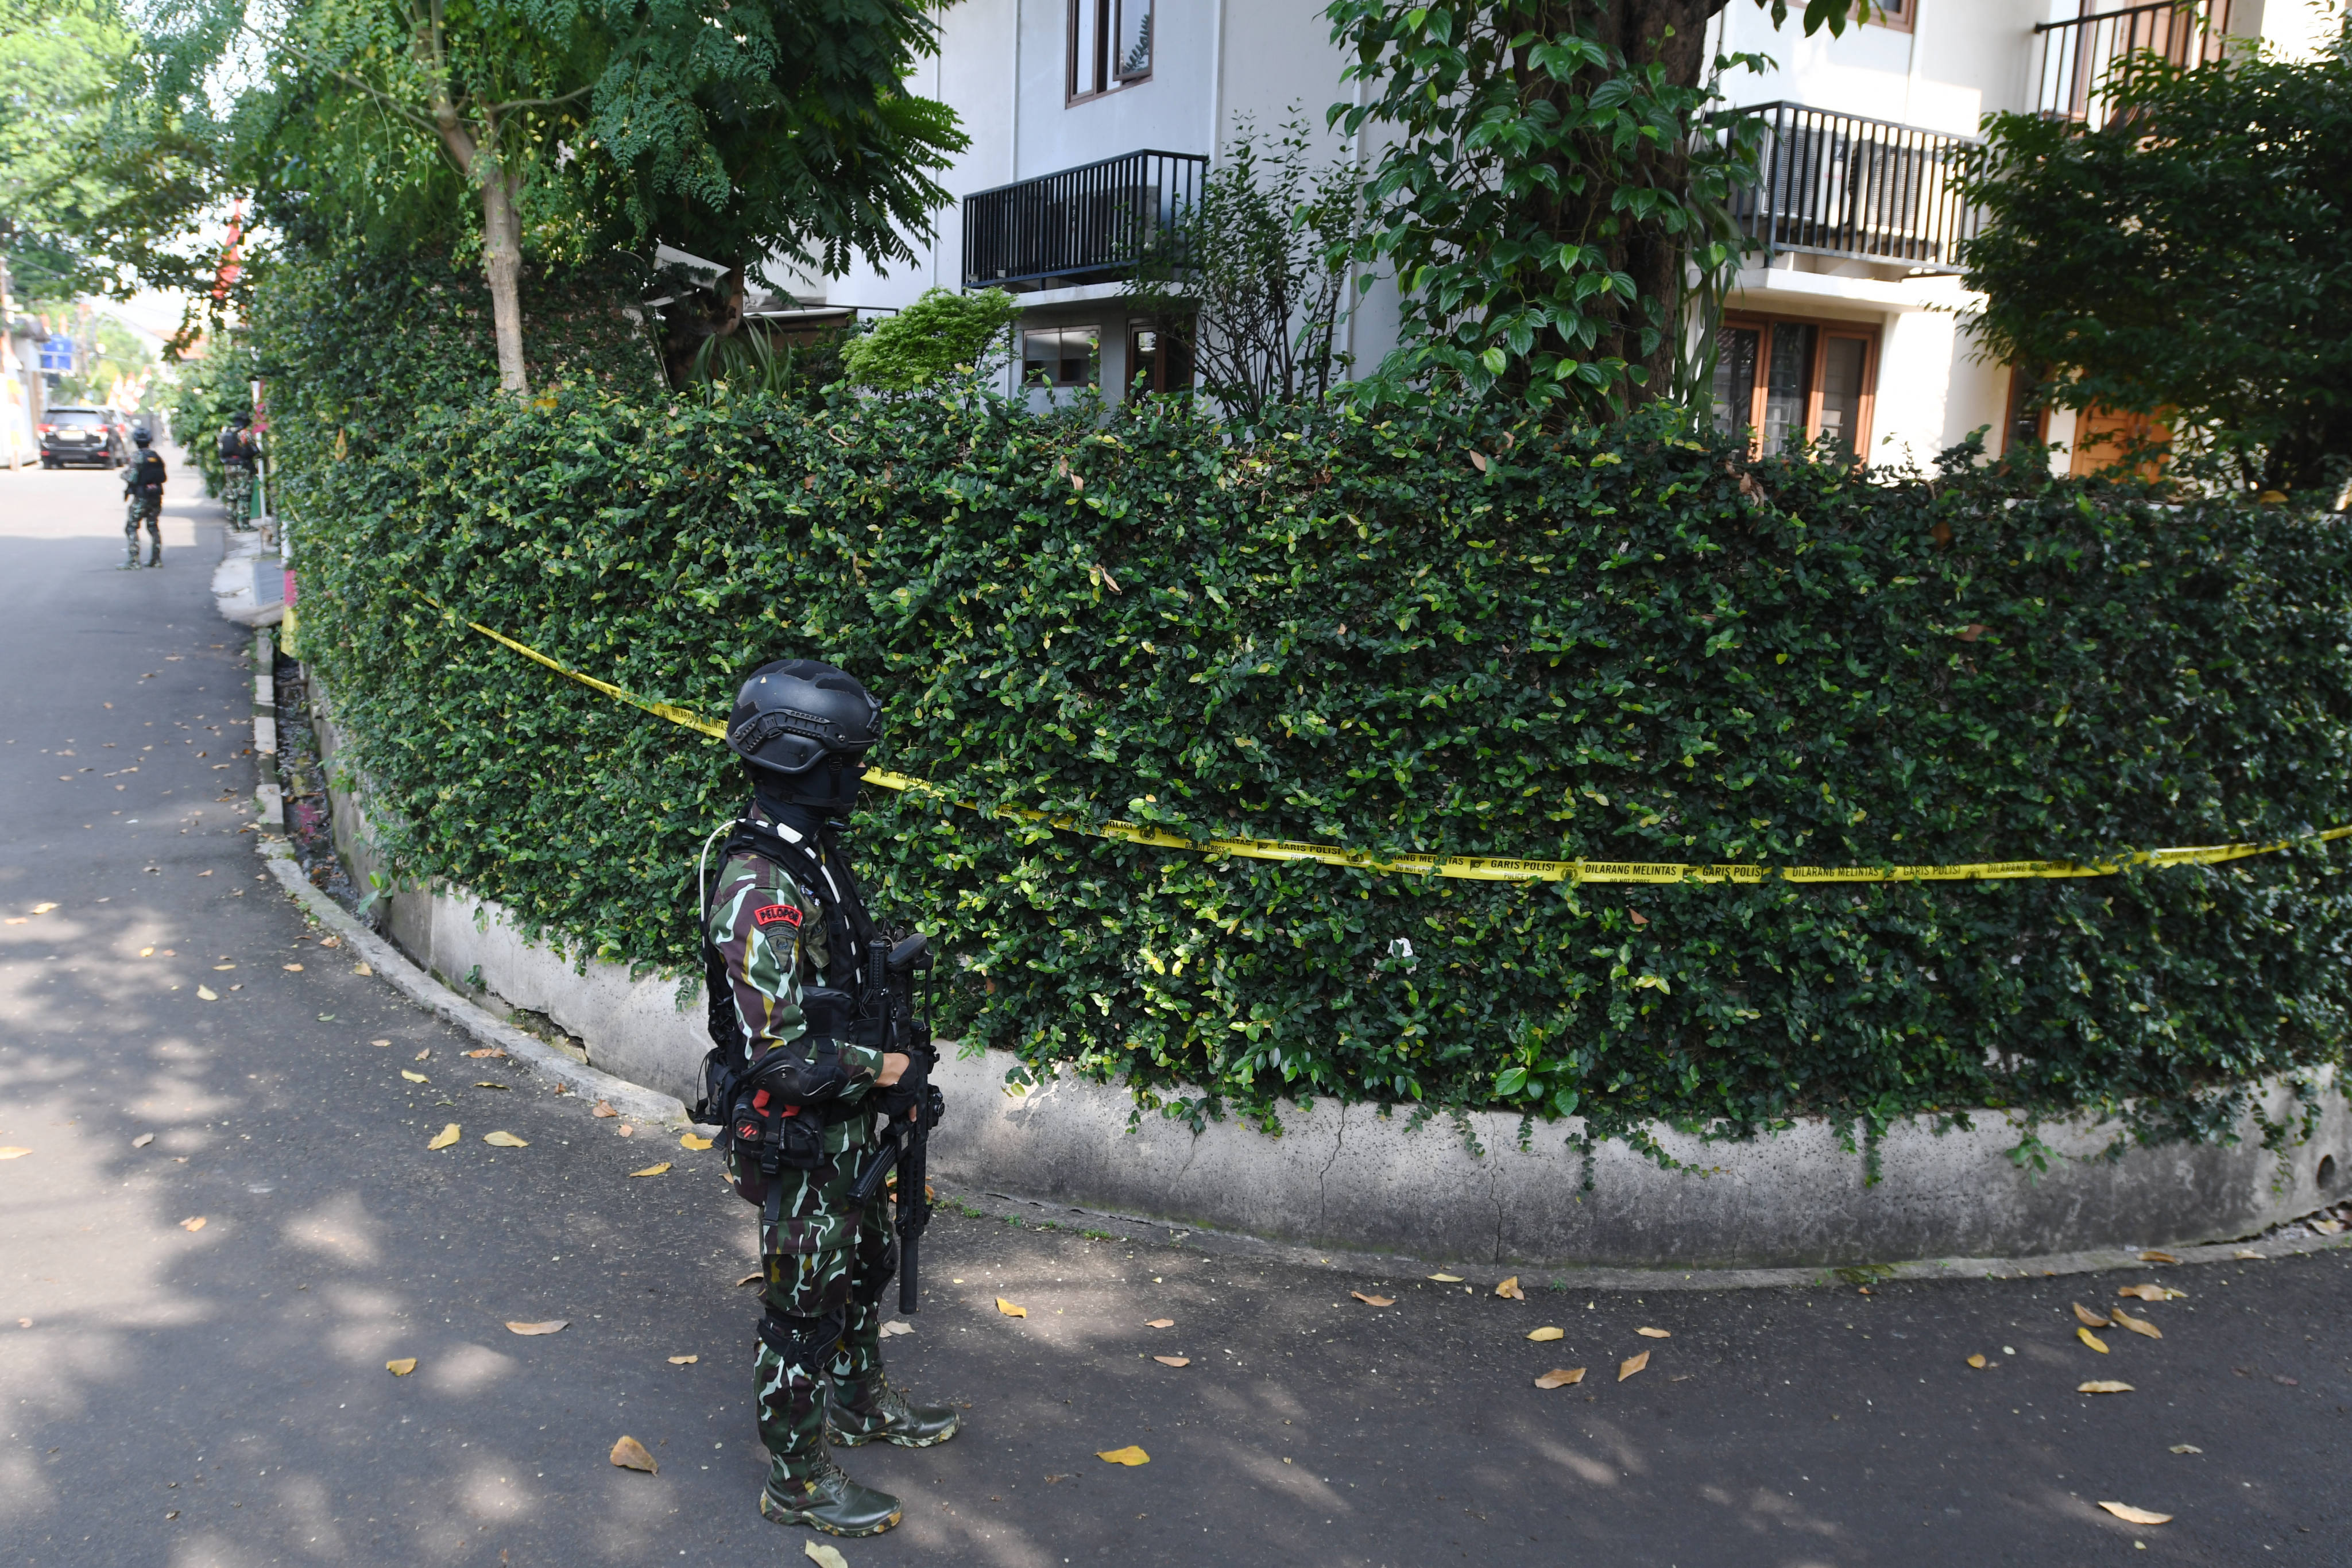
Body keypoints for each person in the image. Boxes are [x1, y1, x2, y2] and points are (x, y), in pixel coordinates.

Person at [697, 658, 959, 1539]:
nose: (860, 775)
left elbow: (833, 984)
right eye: (848, 759)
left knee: (866, 1264)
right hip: (798, 1129)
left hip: (844, 1124)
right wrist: (891, 1072)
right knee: (803, 1307)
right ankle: (797, 1478)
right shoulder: (760, 885)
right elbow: (776, 1053)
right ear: (803, 762)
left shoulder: (813, 857)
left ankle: (861, 1403)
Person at [121, 429, 167, 568]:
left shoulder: (137, 457)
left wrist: (123, 475)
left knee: (131, 527)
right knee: (153, 526)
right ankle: (156, 560)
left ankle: (134, 561)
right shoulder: (156, 456)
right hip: (156, 496)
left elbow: (132, 478)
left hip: (142, 497)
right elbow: (163, 477)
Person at [218, 414, 254, 529]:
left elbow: (221, 451)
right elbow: (252, 449)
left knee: (231, 496)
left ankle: (233, 524)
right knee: (244, 496)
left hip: (229, 467)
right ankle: (244, 525)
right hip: (243, 467)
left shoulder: (224, 433)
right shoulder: (245, 433)